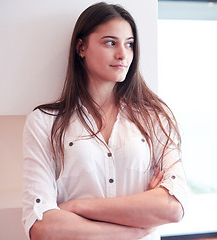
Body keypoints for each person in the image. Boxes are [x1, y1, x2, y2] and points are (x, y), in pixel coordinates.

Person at [21, 2, 188, 240]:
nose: (123, 54)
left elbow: (174, 206)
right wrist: (137, 227)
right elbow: (41, 227)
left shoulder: (155, 118)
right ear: (81, 48)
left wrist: (78, 207)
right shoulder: (44, 122)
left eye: (129, 44)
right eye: (110, 42)